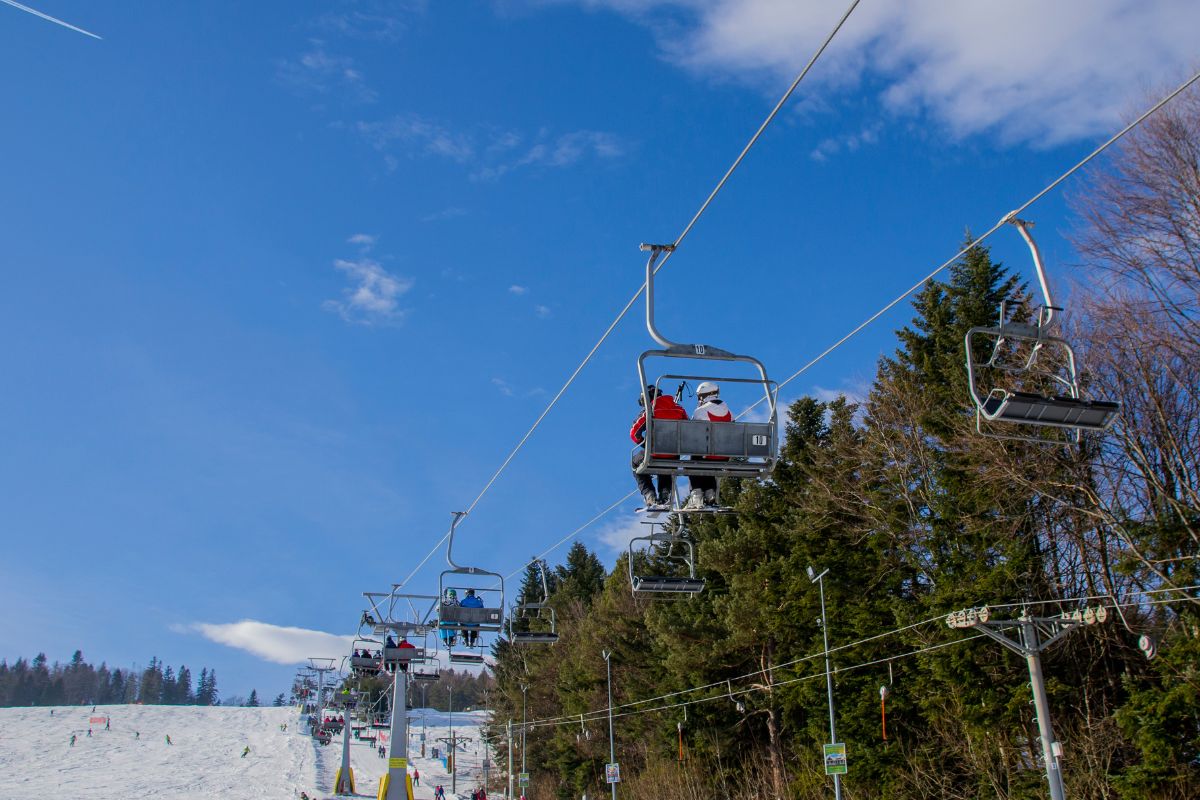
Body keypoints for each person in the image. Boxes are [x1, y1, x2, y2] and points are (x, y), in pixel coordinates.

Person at [630, 385, 687, 509]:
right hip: (674, 454)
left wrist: (645, 444)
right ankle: (665, 493)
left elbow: (634, 434)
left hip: (654, 453)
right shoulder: (678, 408)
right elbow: (687, 429)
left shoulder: (650, 410)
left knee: (635, 463)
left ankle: (649, 494)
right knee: (666, 463)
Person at [685, 381, 731, 509]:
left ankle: (697, 494)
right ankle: (710, 494)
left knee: (695, 461)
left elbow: (692, 432)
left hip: (706, 453)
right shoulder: (728, 411)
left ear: (702, 396)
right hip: (724, 455)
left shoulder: (700, 411)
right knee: (710, 464)